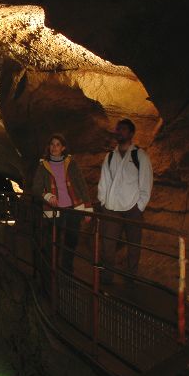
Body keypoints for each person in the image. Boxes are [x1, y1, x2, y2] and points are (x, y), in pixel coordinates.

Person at [97, 118, 153, 283]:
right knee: (108, 246)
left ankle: (130, 280)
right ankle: (107, 279)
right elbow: (104, 182)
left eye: (122, 129)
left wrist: (139, 206)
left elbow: (146, 181)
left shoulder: (139, 156)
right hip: (111, 207)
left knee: (134, 247)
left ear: (131, 133)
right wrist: (102, 202)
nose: (119, 132)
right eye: (117, 129)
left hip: (132, 208)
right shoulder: (109, 157)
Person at [32, 134, 93, 273]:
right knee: (53, 241)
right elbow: (36, 188)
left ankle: (67, 269)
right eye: (52, 144)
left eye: (58, 144)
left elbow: (81, 185)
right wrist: (47, 195)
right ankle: (51, 269)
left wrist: (88, 207)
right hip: (54, 209)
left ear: (63, 148)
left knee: (71, 240)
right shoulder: (43, 166)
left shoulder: (71, 163)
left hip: (73, 208)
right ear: (49, 147)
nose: (54, 147)